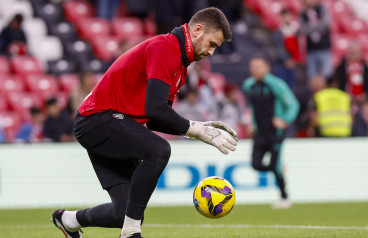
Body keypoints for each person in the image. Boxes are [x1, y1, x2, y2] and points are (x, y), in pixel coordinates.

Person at [51, 7, 237, 238]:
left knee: (123, 213)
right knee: (159, 150)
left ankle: (67, 220)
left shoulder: (180, 66)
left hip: (108, 124)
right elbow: (155, 110)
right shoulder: (165, 47)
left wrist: (199, 126)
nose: (211, 52)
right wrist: (197, 130)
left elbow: (156, 120)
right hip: (97, 120)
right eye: (212, 44)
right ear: (198, 30)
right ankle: (130, 233)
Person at [242, 55, 299, 209]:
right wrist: (253, 124)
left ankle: (284, 197)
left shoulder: (276, 85)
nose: (255, 70)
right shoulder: (248, 85)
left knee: (274, 163)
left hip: (275, 133)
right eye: (253, 67)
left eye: (259, 66)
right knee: (256, 164)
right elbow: (253, 108)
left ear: (267, 68)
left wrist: (285, 120)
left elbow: (293, 104)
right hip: (260, 133)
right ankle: (279, 170)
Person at [334, 42, 368, 111]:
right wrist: (344, 96)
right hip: (345, 99)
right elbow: (336, 84)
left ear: (360, 53)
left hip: (362, 100)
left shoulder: (365, 67)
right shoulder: (341, 67)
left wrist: (365, 96)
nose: (353, 55)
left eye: (355, 53)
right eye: (351, 53)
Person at [299, 0, 332, 79]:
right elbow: (303, 30)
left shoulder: (321, 8)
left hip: (324, 47)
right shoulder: (303, 13)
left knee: (327, 74)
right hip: (311, 49)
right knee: (312, 76)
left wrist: (311, 28)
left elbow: (326, 24)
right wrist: (317, 27)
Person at [273, 8, 301, 90]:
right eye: (285, 16)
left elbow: (296, 47)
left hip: (292, 62)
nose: (287, 18)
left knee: (291, 86)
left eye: (288, 16)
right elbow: (279, 48)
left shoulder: (294, 31)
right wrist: (286, 59)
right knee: (282, 86)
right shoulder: (278, 32)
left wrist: (294, 59)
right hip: (281, 63)